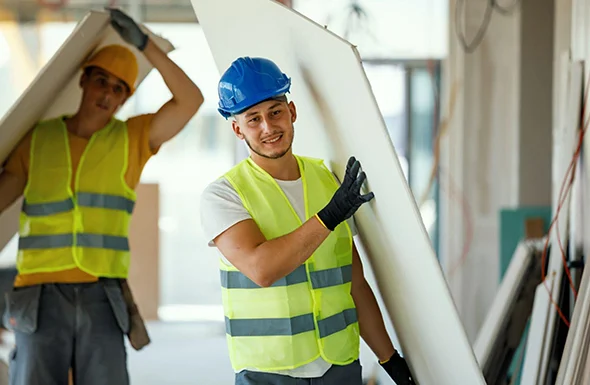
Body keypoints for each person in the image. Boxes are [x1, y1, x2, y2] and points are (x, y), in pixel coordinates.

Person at [0, 8, 203, 385]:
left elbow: (190, 100)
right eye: (101, 81)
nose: (107, 93)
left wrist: (146, 48)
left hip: (101, 294)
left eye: (118, 88)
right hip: (38, 295)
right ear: (84, 81)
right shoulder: (38, 138)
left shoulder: (132, 140)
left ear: (125, 99)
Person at [200, 56, 414, 385]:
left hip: (339, 366)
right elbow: (262, 269)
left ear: (292, 112)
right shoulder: (224, 195)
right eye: (253, 119)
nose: (268, 128)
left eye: (275, 112)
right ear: (237, 129)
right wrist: (329, 215)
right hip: (268, 373)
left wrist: (389, 359)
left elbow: (354, 283)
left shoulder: (328, 181)